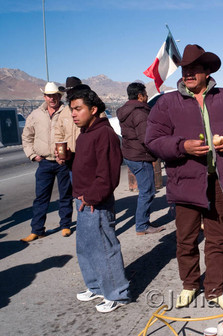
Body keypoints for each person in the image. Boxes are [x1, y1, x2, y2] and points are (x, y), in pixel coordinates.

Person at [145, 44, 223, 309]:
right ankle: (190, 284)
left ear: (207, 71)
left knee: (218, 238)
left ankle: (215, 288)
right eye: (185, 69)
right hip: (185, 182)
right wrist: (181, 146)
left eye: (195, 69)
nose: (188, 74)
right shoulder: (168, 102)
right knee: (186, 239)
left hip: (219, 182)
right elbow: (153, 140)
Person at [68, 87, 130, 313]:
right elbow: (86, 165)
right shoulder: (85, 132)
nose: (74, 114)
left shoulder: (105, 134)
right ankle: (95, 286)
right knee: (86, 247)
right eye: (71, 109)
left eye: (78, 109)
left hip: (96, 202)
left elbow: (108, 174)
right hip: (83, 200)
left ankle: (116, 293)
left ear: (93, 109)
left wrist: (93, 197)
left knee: (104, 247)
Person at [20, 82, 73, 242]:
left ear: (59, 96)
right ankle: (37, 229)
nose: (52, 98)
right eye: (49, 95)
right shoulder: (36, 114)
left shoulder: (67, 112)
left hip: (63, 162)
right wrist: (32, 155)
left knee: (65, 195)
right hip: (44, 162)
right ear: (44, 97)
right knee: (41, 197)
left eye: (55, 95)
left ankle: (65, 225)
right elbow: (26, 136)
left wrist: (69, 153)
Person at [117, 82, 164, 235]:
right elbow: (146, 138)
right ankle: (142, 225)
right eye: (145, 94)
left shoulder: (125, 111)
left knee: (146, 190)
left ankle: (143, 222)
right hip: (140, 156)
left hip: (131, 155)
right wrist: (158, 152)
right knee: (148, 191)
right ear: (140, 96)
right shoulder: (139, 113)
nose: (147, 96)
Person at [54, 76, 84, 155]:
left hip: (87, 155)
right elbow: (58, 133)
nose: (71, 94)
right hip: (69, 157)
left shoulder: (92, 110)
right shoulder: (64, 112)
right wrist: (60, 151)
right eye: (69, 92)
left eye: (74, 91)